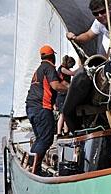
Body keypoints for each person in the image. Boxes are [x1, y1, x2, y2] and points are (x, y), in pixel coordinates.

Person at [25, 45, 69, 175]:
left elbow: (57, 81)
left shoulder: (39, 69)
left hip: (31, 107)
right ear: (52, 57)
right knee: (46, 139)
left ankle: (32, 166)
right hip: (41, 108)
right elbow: (55, 85)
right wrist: (71, 90)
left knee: (40, 138)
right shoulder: (49, 67)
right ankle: (35, 170)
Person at [56, 55, 77, 135]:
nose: (72, 67)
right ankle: (59, 132)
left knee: (65, 114)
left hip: (65, 93)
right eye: (72, 65)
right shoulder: (62, 69)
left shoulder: (64, 69)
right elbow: (72, 73)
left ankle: (66, 131)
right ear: (68, 63)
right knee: (62, 114)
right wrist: (81, 68)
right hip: (62, 94)